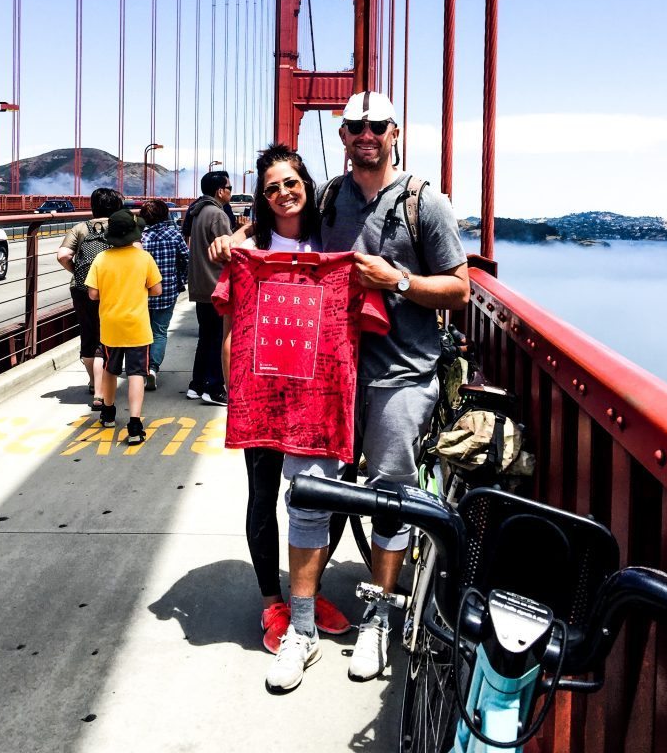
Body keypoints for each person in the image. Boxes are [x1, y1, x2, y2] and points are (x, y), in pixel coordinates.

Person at [210, 91, 470, 683]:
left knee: (392, 491)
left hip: (400, 372)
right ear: (344, 136)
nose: (366, 134)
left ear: (394, 131)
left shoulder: (424, 204)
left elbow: (459, 289)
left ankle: (378, 620)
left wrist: (397, 280)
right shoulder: (330, 197)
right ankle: (300, 630)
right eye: (354, 127)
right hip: (322, 372)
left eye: (376, 125)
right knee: (307, 491)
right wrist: (237, 238)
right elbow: (280, 220)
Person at [211, 143, 353, 692]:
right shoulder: (249, 249)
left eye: (290, 183)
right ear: (261, 199)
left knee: (328, 496)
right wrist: (236, 391)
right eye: (271, 188)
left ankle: (307, 593)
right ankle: (275, 605)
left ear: (307, 184)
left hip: (320, 397)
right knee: (263, 492)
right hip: (265, 393)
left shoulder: (333, 240)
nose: (283, 194)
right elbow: (229, 324)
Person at [85, 208, 162, 445]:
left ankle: (108, 413)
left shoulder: (101, 259)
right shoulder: (144, 258)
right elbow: (156, 290)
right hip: (138, 326)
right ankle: (135, 425)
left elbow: (92, 294)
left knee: (110, 369)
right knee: (137, 373)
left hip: (110, 325)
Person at [56, 186, 124, 408]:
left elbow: (63, 255)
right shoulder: (120, 227)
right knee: (107, 337)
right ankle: (103, 385)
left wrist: (76, 270)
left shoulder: (80, 228)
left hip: (82, 288)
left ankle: (94, 383)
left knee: (88, 332)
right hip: (111, 288)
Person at [186, 170, 233, 405]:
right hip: (216, 285)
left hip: (199, 285)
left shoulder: (198, 211)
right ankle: (214, 388)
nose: (231, 193)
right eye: (229, 188)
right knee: (217, 338)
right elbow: (228, 252)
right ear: (219, 191)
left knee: (206, 337)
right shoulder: (218, 214)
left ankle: (197, 384)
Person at [139, 199, 189, 391]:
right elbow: (185, 259)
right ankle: (153, 368)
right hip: (167, 291)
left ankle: (141, 368)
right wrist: (180, 281)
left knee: (142, 332)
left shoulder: (141, 237)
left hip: (143, 292)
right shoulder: (174, 234)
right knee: (159, 331)